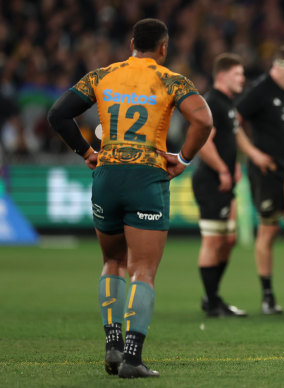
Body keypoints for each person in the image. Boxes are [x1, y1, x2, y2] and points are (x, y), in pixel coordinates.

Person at [47, 18, 212, 377]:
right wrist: (182, 158)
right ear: (163, 47)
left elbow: (58, 114)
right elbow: (203, 121)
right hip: (146, 176)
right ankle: (133, 359)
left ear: (131, 43)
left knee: (112, 263)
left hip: (106, 175)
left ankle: (113, 344)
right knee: (143, 270)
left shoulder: (101, 76)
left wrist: (87, 152)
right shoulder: (171, 80)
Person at [236, 46, 284, 314]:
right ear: (275, 67)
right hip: (267, 172)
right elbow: (234, 121)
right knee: (267, 231)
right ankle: (267, 296)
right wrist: (253, 153)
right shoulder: (260, 90)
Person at [191, 53, 249, 318]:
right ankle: (212, 301)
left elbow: (227, 140)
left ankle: (212, 296)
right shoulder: (212, 101)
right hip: (210, 181)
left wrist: (233, 165)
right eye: (238, 74)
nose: (243, 79)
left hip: (224, 181)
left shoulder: (227, 102)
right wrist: (222, 168)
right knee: (213, 241)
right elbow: (204, 142)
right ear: (223, 75)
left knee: (229, 239)